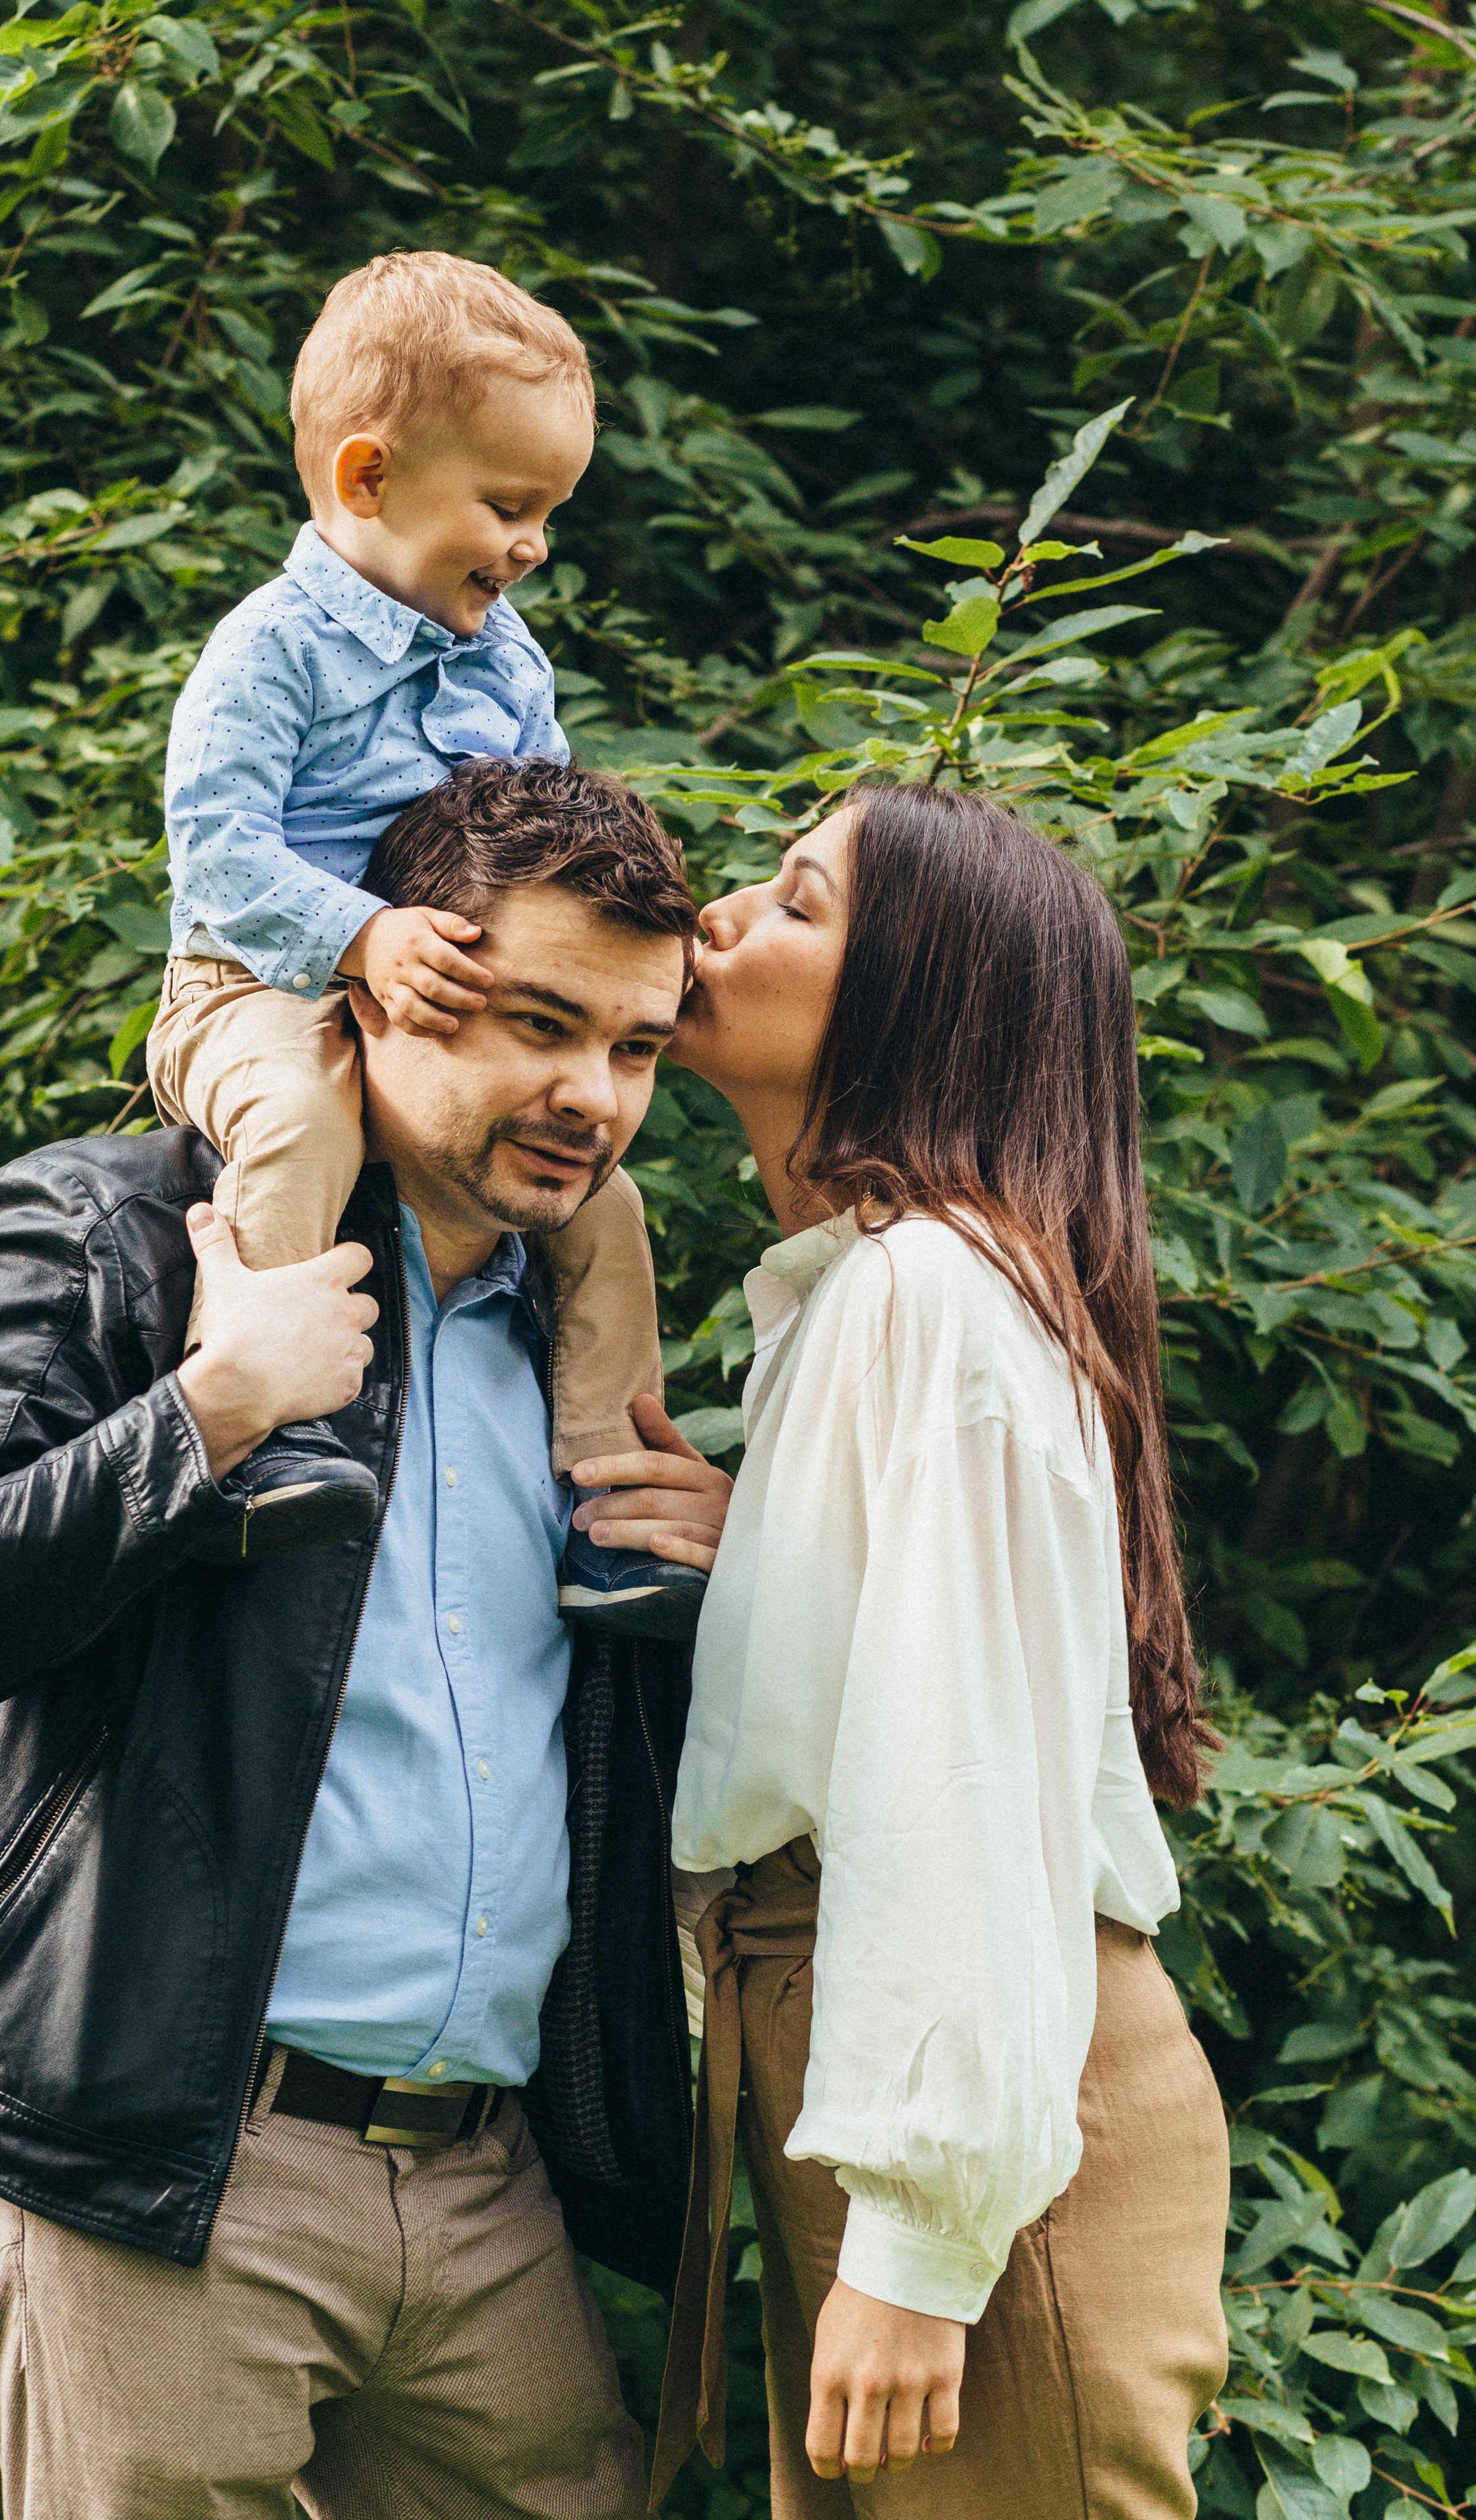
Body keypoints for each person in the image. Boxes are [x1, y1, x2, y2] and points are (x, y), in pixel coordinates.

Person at [0, 761, 730, 2520]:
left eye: (632, 1047)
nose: (589, 1095)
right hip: (165, 2163)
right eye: (535, 1021)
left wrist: (700, 1591)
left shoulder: (577, 1339)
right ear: (370, 988)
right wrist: (213, 1412)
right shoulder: (108, 1233)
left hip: (484, 2185)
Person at [653, 784, 1231, 2518]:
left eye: (801, 904)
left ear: (918, 1004)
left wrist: (918, 2239)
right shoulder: (870, 1297)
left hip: (967, 2113)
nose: (723, 914)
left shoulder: (929, 1298)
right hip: (893, 2069)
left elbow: (957, 1781)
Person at [150, 247, 700, 1639]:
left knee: (606, 1206)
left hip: (436, 994)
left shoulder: (507, 660)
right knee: (298, 1127)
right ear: (365, 480)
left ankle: (607, 1503)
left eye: (548, 516)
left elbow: (546, 828)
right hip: (257, 984)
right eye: (508, 506)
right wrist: (361, 935)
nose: (529, 547)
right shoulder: (270, 652)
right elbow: (216, 851)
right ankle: (269, 1419)